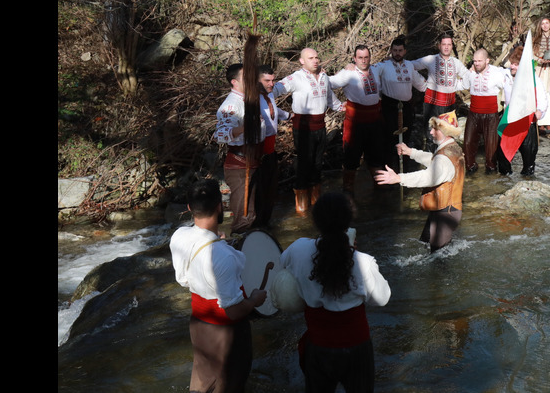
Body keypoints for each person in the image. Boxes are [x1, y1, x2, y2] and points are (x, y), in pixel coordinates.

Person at [280, 191, 391, 393]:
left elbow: (283, 266)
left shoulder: (298, 250)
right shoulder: (362, 261)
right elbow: (382, 299)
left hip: (319, 344)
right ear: (349, 222)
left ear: (315, 221)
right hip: (357, 346)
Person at [170, 179, 268, 393]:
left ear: (189, 208)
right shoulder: (224, 257)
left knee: (202, 383)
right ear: (220, 206)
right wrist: (254, 300)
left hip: (198, 326)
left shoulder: (179, 237)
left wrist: (217, 242)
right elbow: (232, 311)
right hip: (226, 333)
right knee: (229, 384)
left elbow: (184, 279)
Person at [374, 111, 465, 252]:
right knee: (428, 248)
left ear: (446, 132)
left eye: (436, 129)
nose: (431, 132)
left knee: (438, 259)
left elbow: (428, 177)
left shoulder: (444, 158)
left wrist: (398, 178)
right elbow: (434, 160)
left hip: (445, 213)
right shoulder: (452, 148)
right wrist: (411, 152)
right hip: (445, 210)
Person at [273, 48, 343, 214]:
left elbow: (330, 99)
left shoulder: (324, 77)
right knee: (304, 165)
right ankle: (302, 208)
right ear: (302, 61)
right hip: (303, 128)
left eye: (317, 57)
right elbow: (275, 89)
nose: (315, 60)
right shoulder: (295, 78)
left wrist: (344, 106)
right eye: (310, 58)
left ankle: (316, 203)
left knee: (318, 164)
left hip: (320, 126)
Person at [213, 63, 266, 234]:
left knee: (253, 213)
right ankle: (238, 251)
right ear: (234, 82)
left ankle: (251, 251)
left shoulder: (249, 99)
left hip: (254, 161)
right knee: (243, 218)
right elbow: (219, 135)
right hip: (239, 164)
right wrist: (244, 128)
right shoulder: (230, 105)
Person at [329, 45, 387, 193]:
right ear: (354, 59)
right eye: (360, 57)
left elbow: (394, 63)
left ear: (370, 58)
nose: (363, 60)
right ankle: (348, 193)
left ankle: (379, 194)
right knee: (351, 159)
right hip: (355, 124)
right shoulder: (348, 73)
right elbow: (326, 84)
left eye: (366, 57)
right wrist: (335, 104)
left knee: (377, 158)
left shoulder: (376, 69)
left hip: (374, 123)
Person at [371, 36, 426, 172]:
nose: (397, 53)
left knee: (405, 139)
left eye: (400, 50)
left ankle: (404, 171)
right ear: (391, 51)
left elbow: (422, 85)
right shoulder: (383, 66)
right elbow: (366, 71)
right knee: (389, 140)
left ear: (405, 51)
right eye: (395, 50)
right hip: (389, 108)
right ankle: (388, 170)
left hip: (406, 108)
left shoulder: (409, 65)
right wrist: (351, 67)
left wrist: (439, 87)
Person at [411, 33, 470, 149]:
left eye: (449, 44)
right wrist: (422, 84)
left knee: (448, 136)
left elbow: (467, 77)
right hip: (432, 103)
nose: (446, 47)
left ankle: (446, 163)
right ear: (439, 46)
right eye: (444, 44)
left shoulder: (456, 63)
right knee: (431, 135)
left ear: (452, 46)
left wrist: (456, 86)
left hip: (450, 105)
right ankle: (431, 164)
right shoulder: (431, 60)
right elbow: (410, 66)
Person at [497, 45, 546, 176]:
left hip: (527, 123)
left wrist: (540, 111)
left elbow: (542, 99)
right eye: (511, 63)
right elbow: (490, 71)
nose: (512, 66)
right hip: (509, 122)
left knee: (529, 163)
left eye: (515, 64)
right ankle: (503, 186)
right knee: (503, 160)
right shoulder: (506, 74)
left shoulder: (534, 79)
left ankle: (527, 189)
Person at [461, 48, 511, 174]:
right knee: (467, 143)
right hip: (473, 113)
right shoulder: (471, 72)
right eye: (474, 61)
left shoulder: (496, 73)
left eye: (479, 61)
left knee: (491, 147)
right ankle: (471, 167)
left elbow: (508, 85)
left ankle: (491, 169)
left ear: (487, 61)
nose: (476, 63)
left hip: (490, 115)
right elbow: (463, 85)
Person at [256, 65, 290, 225]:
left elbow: (274, 112)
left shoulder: (269, 95)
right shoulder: (252, 99)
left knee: (270, 189)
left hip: (271, 150)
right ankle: (256, 225)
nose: (271, 84)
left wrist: (289, 115)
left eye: (273, 80)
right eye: (267, 80)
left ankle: (266, 223)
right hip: (258, 152)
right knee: (260, 191)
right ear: (257, 80)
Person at [532, 17, 550, 134]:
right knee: (540, 93)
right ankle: (540, 123)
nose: (545, 26)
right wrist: (539, 60)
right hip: (540, 69)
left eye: (547, 23)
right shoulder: (535, 39)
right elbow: (531, 55)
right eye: (543, 24)